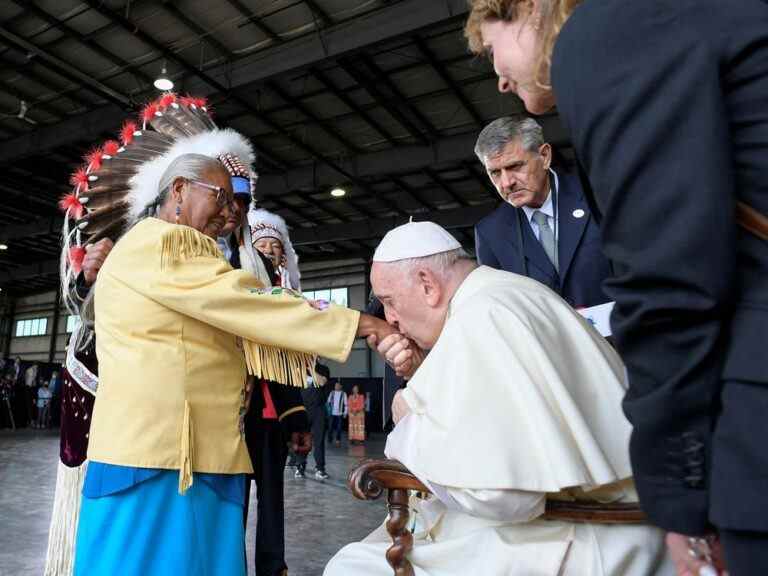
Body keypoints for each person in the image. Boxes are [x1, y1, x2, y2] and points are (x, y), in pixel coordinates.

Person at [465, 1, 768, 574]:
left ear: (528, 7)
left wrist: (677, 501)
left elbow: (671, 285)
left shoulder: (606, 33)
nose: (499, 76)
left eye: (491, 49)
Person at [60, 94, 391, 576]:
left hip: (188, 458)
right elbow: (247, 302)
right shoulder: (167, 243)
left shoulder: (171, 249)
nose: (229, 213)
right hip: (165, 463)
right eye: (219, 197)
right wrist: (359, 322)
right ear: (177, 190)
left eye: (239, 204)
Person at [325, 221, 673, 576]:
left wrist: (408, 420)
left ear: (428, 284)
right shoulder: (506, 293)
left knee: (353, 567)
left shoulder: (482, 317)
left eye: (389, 302)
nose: (392, 319)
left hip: (581, 535)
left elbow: (502, 495)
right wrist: (418, 375)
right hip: (586, 519)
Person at [474, 116, 610, 308]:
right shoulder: (489, 233)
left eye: (515, 166)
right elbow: (500, 307)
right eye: (495, 172)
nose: (506, 183)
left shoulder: (597, 196)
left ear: (545, 156)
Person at [296, 363, 332, 480]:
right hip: (303, 408)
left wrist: (310, 369)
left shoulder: (323, 369)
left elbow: (321, 382)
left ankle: (320, 468)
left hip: (318, 409)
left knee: (319, 440)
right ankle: (300, 466)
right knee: (302, 439)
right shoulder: (298, 367)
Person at [327, 381, 347, 446]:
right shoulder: (332, 393)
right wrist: (328, 410)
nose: (336, 386)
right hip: (332, 413)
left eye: (338, 385)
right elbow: (328, 402)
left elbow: (346, 404)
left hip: (340, 414)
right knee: (330, 427)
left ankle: (338, 440)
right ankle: (330, 438)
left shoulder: (343, 394)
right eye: (335, 385)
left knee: (339, 428)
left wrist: (345, 413)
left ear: (341, 386)